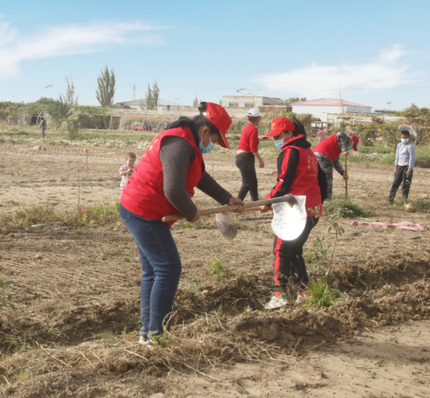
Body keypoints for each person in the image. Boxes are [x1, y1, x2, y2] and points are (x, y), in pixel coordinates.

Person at [120, 102, 244, 345]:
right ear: (206, 130)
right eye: (216, 140)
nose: (214, 145)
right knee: (168, 268)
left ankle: (148, 333)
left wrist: (226, 198)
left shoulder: (187, 142)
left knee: (154, 271)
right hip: (144, 212)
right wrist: (191, 212)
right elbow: (173, 189)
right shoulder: (178, 144)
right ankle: (157, 335)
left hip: (141, 209)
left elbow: (199, 176)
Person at [261, 117, 327, 309]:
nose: (276, 141)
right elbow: (322, 182)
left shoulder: (290, 150)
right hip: (312, 209)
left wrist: (268, 201)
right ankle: (305, 292)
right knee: (294, 250)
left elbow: (284, 182)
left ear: (290, 133)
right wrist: (316, 203)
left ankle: (278, 294)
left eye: (278, 136)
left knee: (281, 250)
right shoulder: (308, 152)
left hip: (296, 211)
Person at [313, 131, 358, 201]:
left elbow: (335, 161)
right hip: (323, 155)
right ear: (351, 140)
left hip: (317, 155)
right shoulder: (344, 136)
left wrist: (342, 172)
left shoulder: (337, 147)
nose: (351, 147)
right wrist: (344, 149)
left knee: (319, 177)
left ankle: (317, 198)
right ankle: (326, 200)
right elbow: (340, 134)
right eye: (352, 145)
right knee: (327, 178)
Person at [235, 108, 265, 201]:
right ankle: (237, 203)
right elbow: (253, 148)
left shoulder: (247, 128)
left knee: (253, 182)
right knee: (247, 183)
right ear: (258, 118)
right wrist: (260, 160)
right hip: (246, 158)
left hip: (242, 157)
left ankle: (255, 202)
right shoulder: (253, 129)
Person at [389, 130, 416, 203]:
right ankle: (391, 199)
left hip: (407, 167)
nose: (404, 139)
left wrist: (410, 169)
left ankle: (404, 200)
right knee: (395, 183)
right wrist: (395, 167)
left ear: (409, 138)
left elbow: (412, 158)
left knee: (405, 185)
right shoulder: (399, 145)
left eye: (405, 137)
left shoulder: (410, 146)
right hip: (399, 166)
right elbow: (397, 156)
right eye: (402, 137)